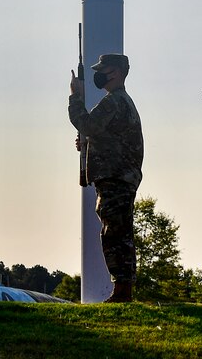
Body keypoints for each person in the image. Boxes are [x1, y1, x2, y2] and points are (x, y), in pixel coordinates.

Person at [69, 53, 143, 302]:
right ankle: (123, 288)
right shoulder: (120, 102)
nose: (98, 75)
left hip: (115, 176)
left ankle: (122, 289)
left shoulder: (114, 101)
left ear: (117, 73)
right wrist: (90, 144)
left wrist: (75, 98)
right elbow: (105, 136)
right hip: (118, 175)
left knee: (115, 233)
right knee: (118, 232)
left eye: (104, 69)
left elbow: (88, 124)